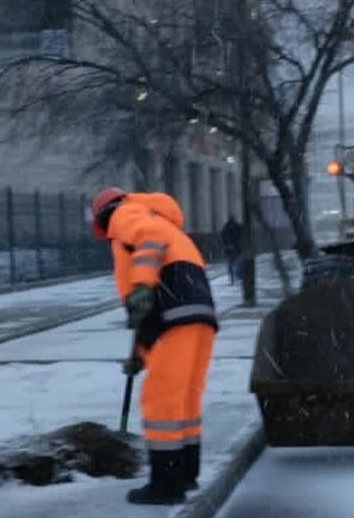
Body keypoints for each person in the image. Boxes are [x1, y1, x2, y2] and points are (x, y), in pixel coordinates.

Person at [90, 188, 218, 505]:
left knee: (161, 402)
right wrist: (140, 357)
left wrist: (141, 286)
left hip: (172, 312)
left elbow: (150, 242)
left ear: (105, 214)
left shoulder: (127, 214)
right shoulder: (168, 225)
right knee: (184, 400)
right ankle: (186, 475)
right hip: (196, 314)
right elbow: (149, 318)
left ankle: (166, 485)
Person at [220, 215, 243, 285]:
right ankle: (237, 277)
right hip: (236, 248)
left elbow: (222, 236)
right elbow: (241, 236)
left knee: (230, 264)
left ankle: (232, 278)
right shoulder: (237, 227)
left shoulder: (226, 227)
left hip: (228, 249)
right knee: (236, 263)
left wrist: (226, 245)